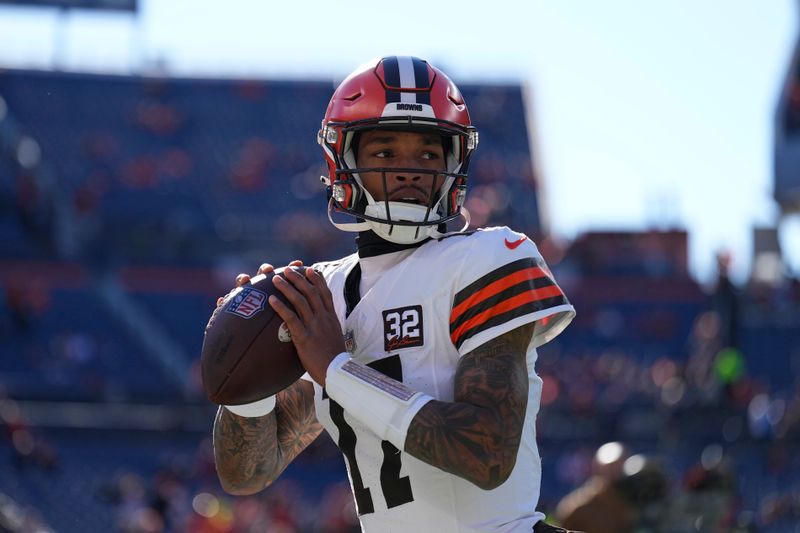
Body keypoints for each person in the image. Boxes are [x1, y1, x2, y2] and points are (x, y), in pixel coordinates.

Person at [212, 56, 576, 533]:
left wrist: (336, 370)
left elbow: (487, 454)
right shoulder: (323, 292)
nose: (409, 169)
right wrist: (246, 375)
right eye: (385, 153)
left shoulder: (489, 258)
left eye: (428, 154)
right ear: (343, 162)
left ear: (454, 164)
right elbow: (248, 473)